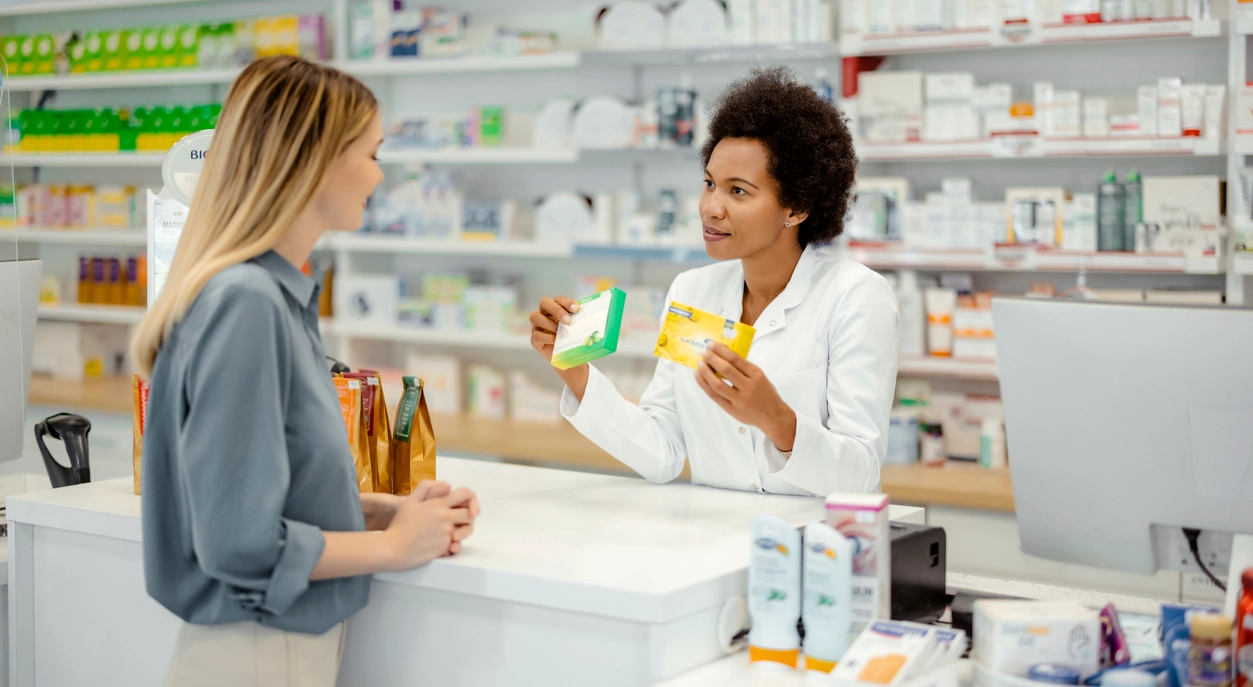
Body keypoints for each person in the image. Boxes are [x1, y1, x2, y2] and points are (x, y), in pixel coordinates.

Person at [130, 56, 479, 687]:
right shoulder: (246, 303)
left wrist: (378, 511)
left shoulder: (269, 294)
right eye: (372, 153)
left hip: (274, 644)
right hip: (259, 650)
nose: (379, 175)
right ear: (315, 159)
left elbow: (262, 490)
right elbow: (238, 542)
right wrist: (395, 548)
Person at [529, 67, 899, 497]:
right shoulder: (693, 292)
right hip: (711, 539)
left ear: (796, 207)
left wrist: (777, 420)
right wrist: (572, 369)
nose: (711, 208)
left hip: (812, 545)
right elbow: (662, 451)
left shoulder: (854, 296)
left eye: (738, 191)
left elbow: (860, 473)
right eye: (709, 184)